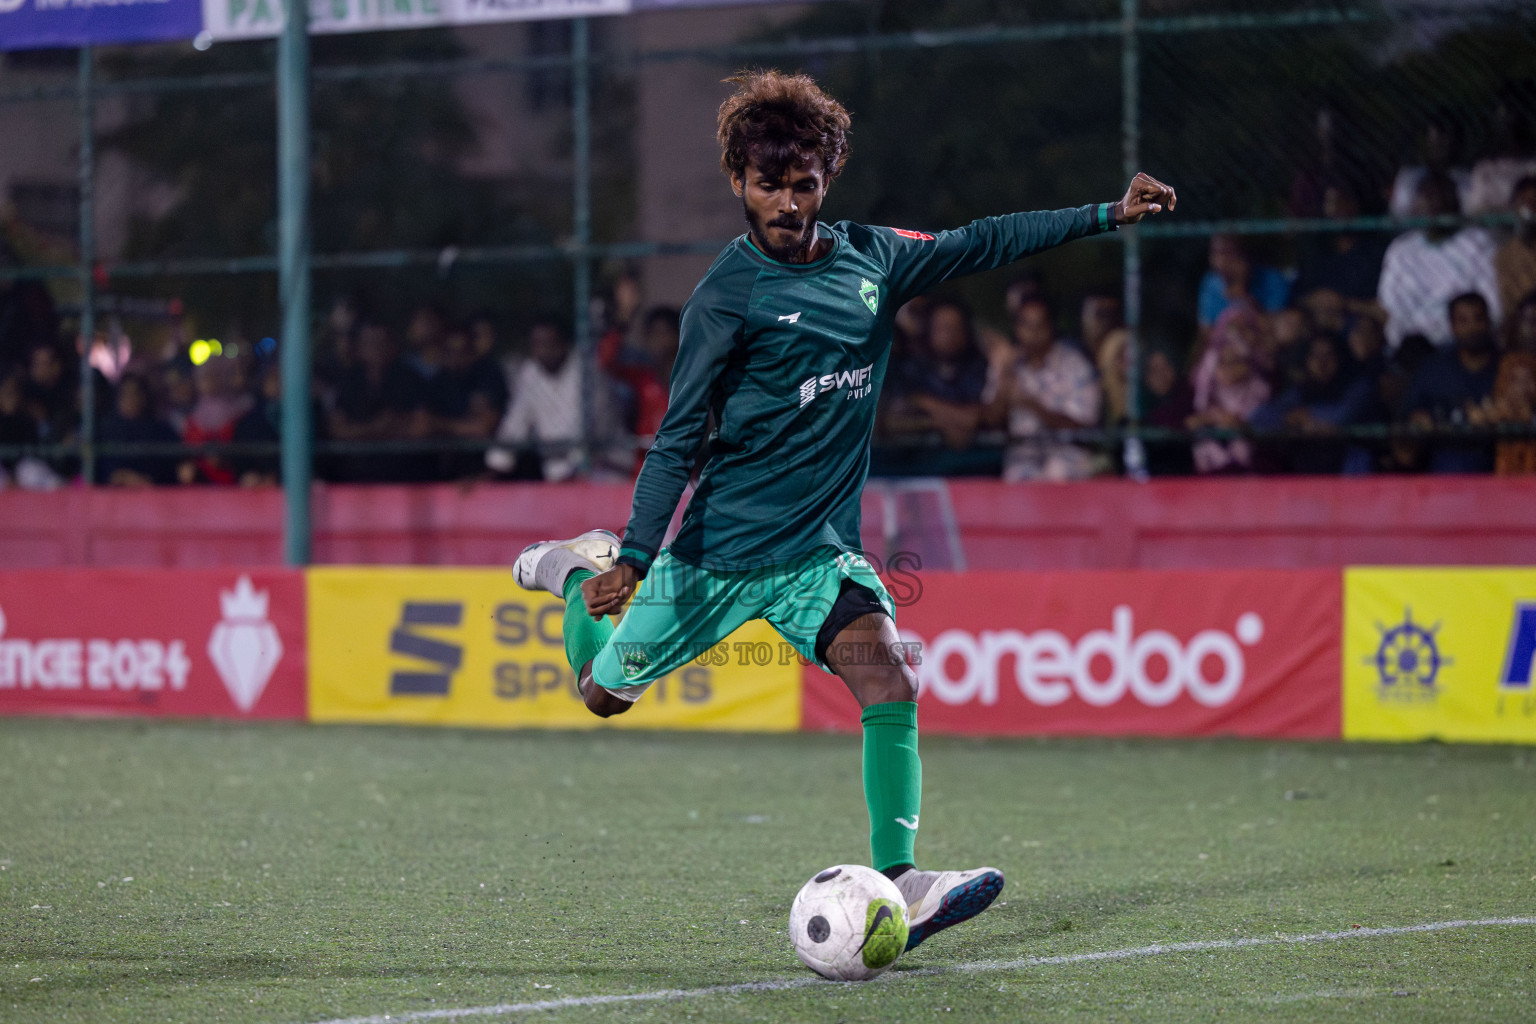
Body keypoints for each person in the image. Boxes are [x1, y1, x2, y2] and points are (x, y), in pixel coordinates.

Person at [509, 70, 1176, 952]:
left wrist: (1105, 214)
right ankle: (573, 571)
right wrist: (633, 555)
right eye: (769, 184)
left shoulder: (875, 258)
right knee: (600, 695)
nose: (787, 202)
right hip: (717, 554)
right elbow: (677, 439)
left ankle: (901, 880)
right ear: (738, 183)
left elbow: (982, 240)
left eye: (804, 183)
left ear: (828, 179)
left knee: (888, 677)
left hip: (816, 556)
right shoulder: (724, 297)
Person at [1377, 172, 1501, 349]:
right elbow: (1390, 308)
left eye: (1443, 196)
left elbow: (1492, 306)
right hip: (1413, 345)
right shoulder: (1401, 250)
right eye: (1427, 197)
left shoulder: (1478, 243)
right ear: (1416, 205)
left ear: (1456, 202)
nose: (1435, 203)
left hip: (1463, 342)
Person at [987, 296, 1102, 481]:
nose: (1034, 332)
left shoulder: (1075, 364)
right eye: (1027, 326)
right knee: (1016, 476)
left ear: (1051, 327)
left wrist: (1033, 406)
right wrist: (1005, 376)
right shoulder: (1006, 365)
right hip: (1022, 457)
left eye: (1040, 325)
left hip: (1068, 457)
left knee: (1058, 472)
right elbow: (990, 422)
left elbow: (1084, 427)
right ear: (1017, 329)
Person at [1404, 292, 1500, 474]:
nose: (1472, 327)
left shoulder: (1506, 367)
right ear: (1452, 326)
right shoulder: (1433, 369)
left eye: (1478, 319)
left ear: (1488, 322)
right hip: (1444, 476)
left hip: (1499, 477)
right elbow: (1411, 415)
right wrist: (1419, 419)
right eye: (1463, 321)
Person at [97, 374, 182, 486]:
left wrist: (145, 479)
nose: (130, 399)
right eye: (125, 394)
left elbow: (172, 470)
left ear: (144, 397)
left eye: (135, 393)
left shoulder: (161, 431)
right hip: (112, 498)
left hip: (155, 496)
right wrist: (120, 476)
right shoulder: (105, 430)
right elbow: (98, 470)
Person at [1496, 176, 1536, 327]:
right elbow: (1509, 307)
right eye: (1525, 201)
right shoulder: (1504, 257)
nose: (1530, 208)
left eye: (1535, 201)